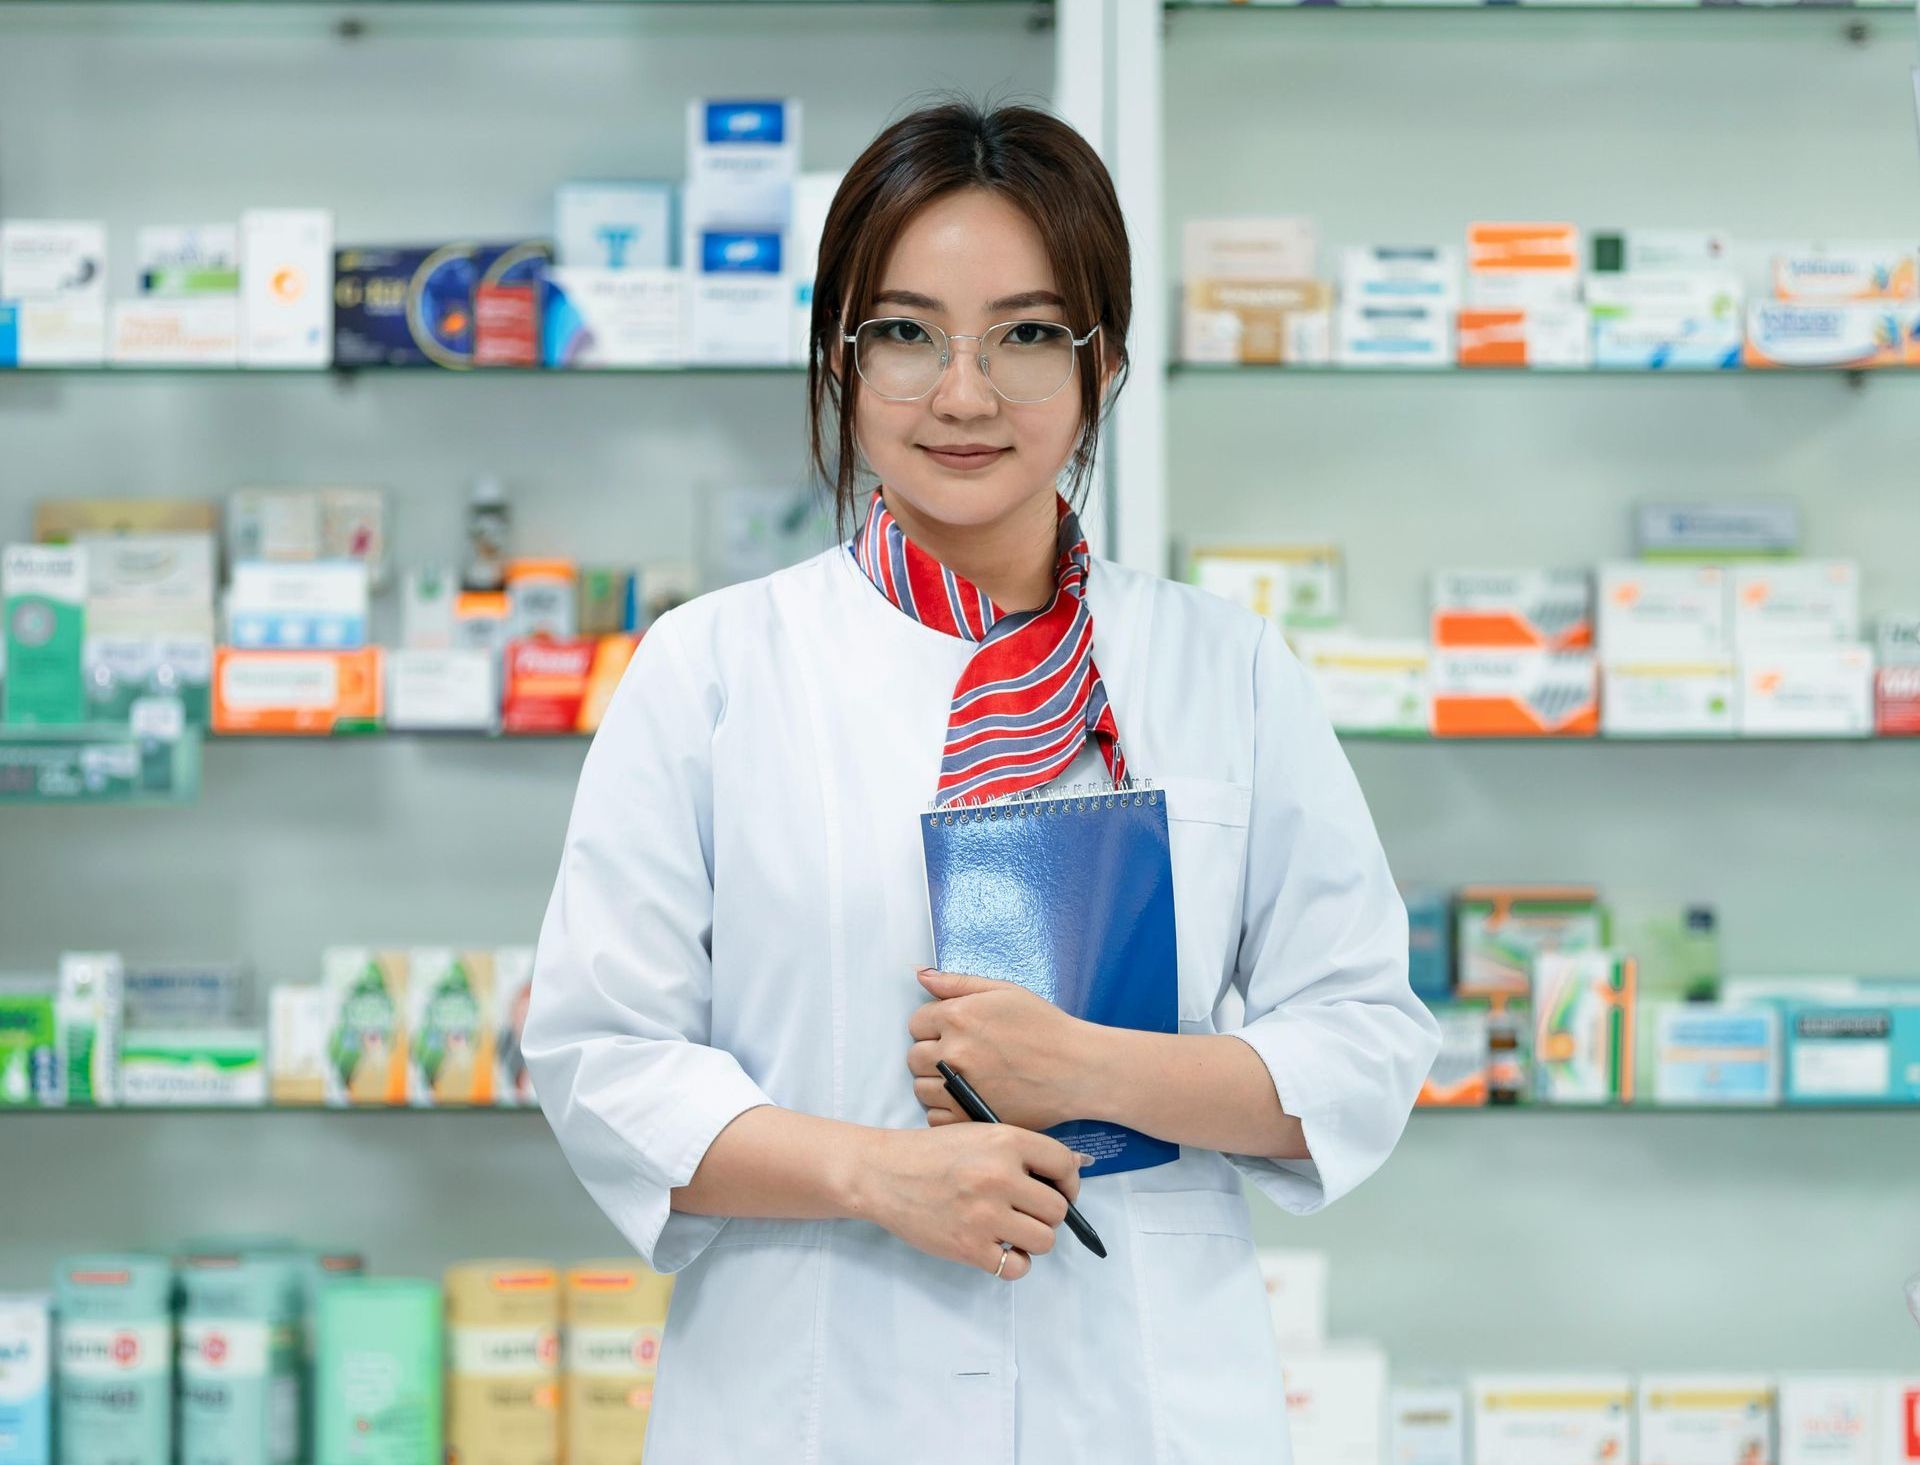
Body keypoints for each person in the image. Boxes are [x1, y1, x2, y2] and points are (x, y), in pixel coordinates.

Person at [524, 98, 1440, 1463]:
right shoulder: (710, 668)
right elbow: (603, 1060)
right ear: (841, 361)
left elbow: (1362, 1043)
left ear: (1105, 364)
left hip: (1140, 1395)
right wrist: (875, 1171)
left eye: (1024, 334)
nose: (962, 392)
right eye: (903, 333)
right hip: (815, 1396)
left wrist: (1093, 1068)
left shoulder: (1226, 667)